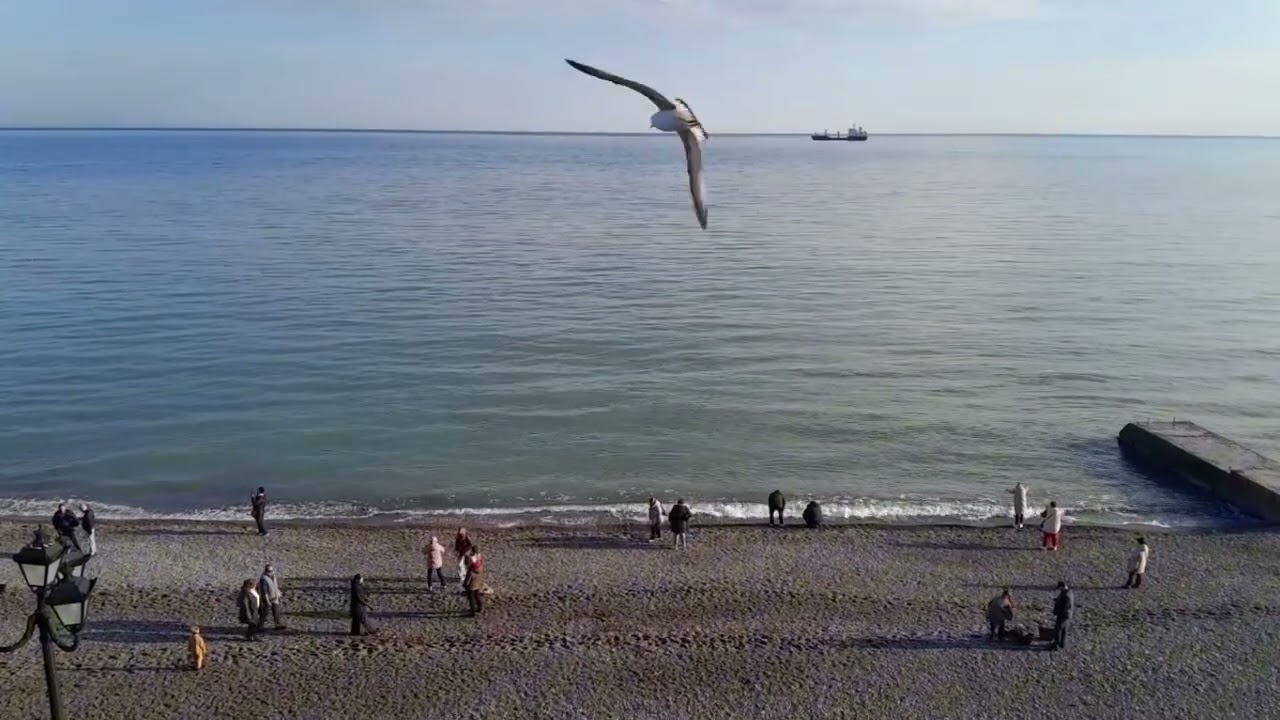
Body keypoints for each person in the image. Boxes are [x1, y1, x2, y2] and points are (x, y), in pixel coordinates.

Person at [258, 564, 286, 630]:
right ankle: (260, 626)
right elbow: (264, 592)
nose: (270, 572)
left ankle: (277, 624)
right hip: (267, 598)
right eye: (269, 571)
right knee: (264, 613)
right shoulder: (264, 579)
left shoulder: (273, 576)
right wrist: (267, 601)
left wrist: (278, 593)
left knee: (276, 611)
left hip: (274, 597)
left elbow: (275, 586)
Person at [464, 545, 486, 617]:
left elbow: (467, 580)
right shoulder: (480, 564)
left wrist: (465, 585)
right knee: (477, 595)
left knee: (471, 598)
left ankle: (472, 612)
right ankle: (480, 607)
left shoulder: (471, 571)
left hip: (472, 584)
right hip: (479, 581)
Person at [1051, 581, 1073, 650]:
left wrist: (1057, 612)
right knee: (1064, 630)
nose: (1059, 590)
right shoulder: (1069, 592)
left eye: (1060, 588)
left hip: (1063, 615)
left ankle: (1056, 645)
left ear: (1063, 586)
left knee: (1058, 629)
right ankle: (1062, 644)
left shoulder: (1066, 595)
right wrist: (1057, 600)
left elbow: (1065, 607)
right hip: (1068, 615)